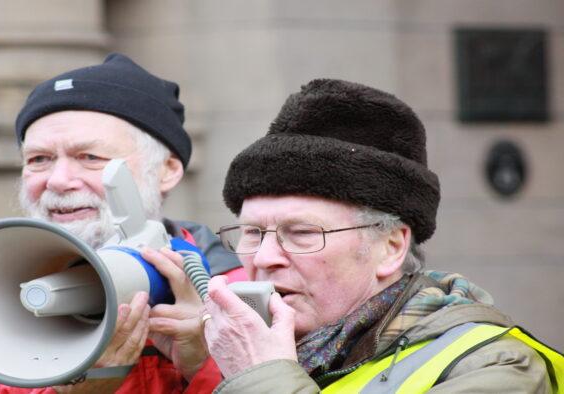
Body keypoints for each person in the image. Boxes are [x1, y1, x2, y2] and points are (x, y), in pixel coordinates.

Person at [200, 78, 564, 393]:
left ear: (391, 247)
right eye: (252, 232)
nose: (264, 258)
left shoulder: (501, 368)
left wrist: (259, 376)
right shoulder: (259, 353)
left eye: (301, 233)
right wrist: (195, 369)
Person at [0, 53, 244, 393]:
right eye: (39, 159)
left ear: (166, 170)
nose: (58, 180)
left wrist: (205, 366)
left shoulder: (245, 293)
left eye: (90, 158)